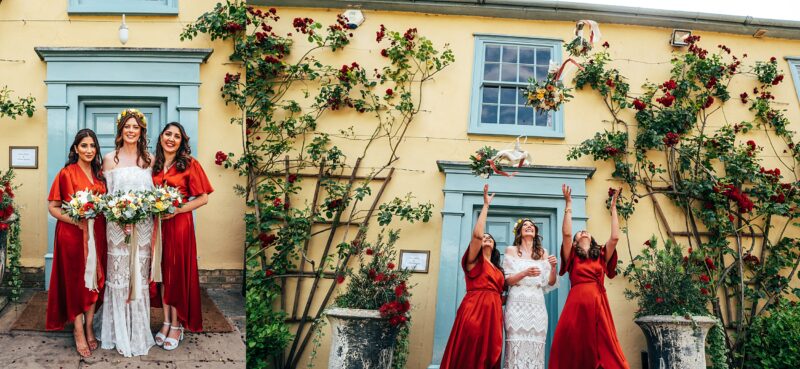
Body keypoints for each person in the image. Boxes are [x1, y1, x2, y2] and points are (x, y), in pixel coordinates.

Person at [549, 184, 630, 369]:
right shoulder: (572, 255)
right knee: (573, 342)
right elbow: (566, 233)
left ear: (592, 239)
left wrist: (614, 209)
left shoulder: (601, 254)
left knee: (605, 345)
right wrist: (568, 204)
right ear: (577, 241)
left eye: (586, 231)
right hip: (576, 303)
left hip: (598, 301)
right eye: (580, 233)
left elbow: (615, 238)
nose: (583, 232)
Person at [98, 108, 156, 357]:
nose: (131, 131)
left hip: (142, 228)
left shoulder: (150, 160)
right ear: (120, 131)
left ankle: (138, 331)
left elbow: (152, 198)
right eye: (127, 127)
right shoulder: (110, 159)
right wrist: (120, 217)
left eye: (136, 127)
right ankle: (117, 331)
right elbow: (107, 196)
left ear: (142, 131)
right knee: (119, 277)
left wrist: (138, 216)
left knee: (138, 277)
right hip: (117, 228)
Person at [46, 129, 108, 358]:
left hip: (97, 234)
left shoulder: (100, 175)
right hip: (72, 235)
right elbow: (53, 207)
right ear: (75, 149)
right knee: (75, 282)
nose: (89, 150)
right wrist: (77, 220)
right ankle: (78, 330)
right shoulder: (66, 174)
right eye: (84, 146)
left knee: (93, 281)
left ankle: (90, 325)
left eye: (93, 146)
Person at [151, 122, 213, 350]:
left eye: (177, 136)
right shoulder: (154, 166)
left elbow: (203, 197)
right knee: (163, 275)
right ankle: (166, 321)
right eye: (168, 134)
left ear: (182, 142)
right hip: (158, 226)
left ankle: (178, 325)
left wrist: (178, 209)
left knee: (176, 274)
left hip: (179, 225)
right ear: (160, 137)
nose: (171, 139)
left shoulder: (189, 164)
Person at [439, 184, 504, 369]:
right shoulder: (473, 261)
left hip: (494, 313)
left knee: (491, 353)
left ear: (495, 246)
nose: (486, 238)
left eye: (490, 238)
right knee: (470, 349)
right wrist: (486, 206)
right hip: (474, 309)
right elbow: (476, 235)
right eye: (485, 237)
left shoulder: (498, 269)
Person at [502, 219, 558, 369]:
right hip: (516, 303)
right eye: (525, 225)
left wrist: (553, 267)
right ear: (519, 231)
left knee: (536, 346)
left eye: (532, 226)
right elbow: (507, 280)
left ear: (535, 232)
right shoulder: (511, 250)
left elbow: (550, 282)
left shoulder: (543, 252)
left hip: (537, 305)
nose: (529, 227)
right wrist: (525, 273)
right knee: (515, 345)